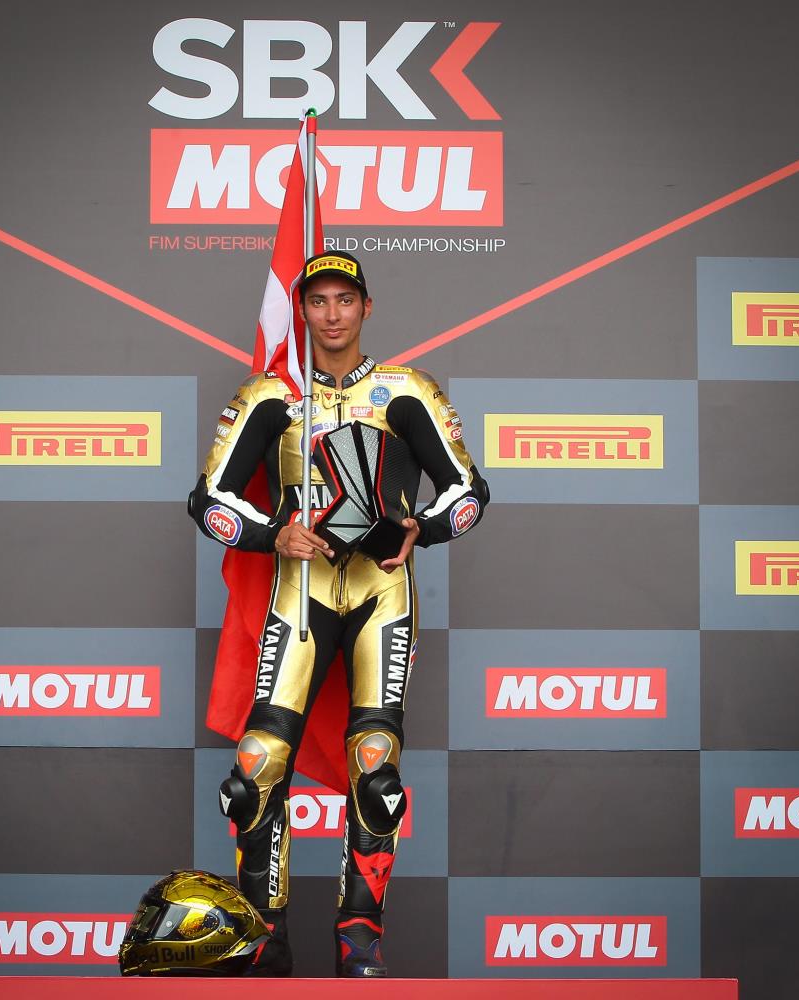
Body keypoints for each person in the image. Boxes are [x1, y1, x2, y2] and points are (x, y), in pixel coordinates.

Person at [188, 251, 488, 977]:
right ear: (302, 311)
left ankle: (359, 943)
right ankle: (264, 941)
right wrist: (272, 535)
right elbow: (208, 500)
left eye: (344, 300)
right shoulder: (271, 395)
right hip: (301, 588)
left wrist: (423, 529)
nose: (331, 314)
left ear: (366, 307)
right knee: (258, 765)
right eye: (317, 301)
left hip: (382, 590)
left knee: (375, 764)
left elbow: (470, 492)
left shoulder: (406, 391)